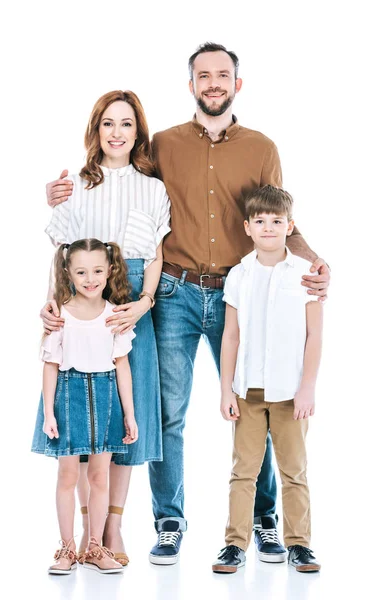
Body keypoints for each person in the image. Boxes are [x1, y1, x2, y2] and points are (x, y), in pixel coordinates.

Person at [45, 43, 330, 566]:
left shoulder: (262, 146)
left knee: (255, 403)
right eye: (204, 75)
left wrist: (313, 259)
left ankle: (263, 520)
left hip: (239, 293)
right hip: (172, 293)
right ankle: (168, 520)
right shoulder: (164, 145)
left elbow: (279, 216)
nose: (214, 83)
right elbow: (115, 186)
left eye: (223, 75)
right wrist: (61, 198)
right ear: (192, 84)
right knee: (169, 413)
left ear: (237, 84)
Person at [39, 90, 170, 565]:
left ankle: (111, 527)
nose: (117, 132)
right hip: (82, 294)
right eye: (108, 123)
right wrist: (51, 303)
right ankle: (84, 534)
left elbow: (154, 254)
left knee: (125, 416)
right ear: (96, 131)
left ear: (139, 132)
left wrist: (143, 302)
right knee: (82, 414)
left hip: (130, 300)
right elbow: (62, 254)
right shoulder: (75, 184)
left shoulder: (152, 188)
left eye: (127, 124)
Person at [212, 185, 322, 574]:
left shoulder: (306, 274)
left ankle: (299, 544)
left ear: (290, 226)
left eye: (277, 221)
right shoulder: (239, 275)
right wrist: (226, 389)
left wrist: (307, 387)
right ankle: (234, 544)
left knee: (294, 471)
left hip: (292, 393)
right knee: (244, 470)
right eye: (260, 221)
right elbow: (231, 335)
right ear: (248, 227)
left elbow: (314, 336)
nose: (269, 228)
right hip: (249, 392)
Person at [32, 238, 137, 574]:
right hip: (68, 394)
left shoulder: (113, 315)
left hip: (106, 398)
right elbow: (50, 366)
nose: (90, 279)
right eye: (81, 272)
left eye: (97, 271)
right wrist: (49, 412)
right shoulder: (60, 315)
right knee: (67, 474)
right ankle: (66, 548)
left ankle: (95, 546)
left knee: (99, 475)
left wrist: (129, 414)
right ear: (68, 273)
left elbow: (122, 366)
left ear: (109, 271)